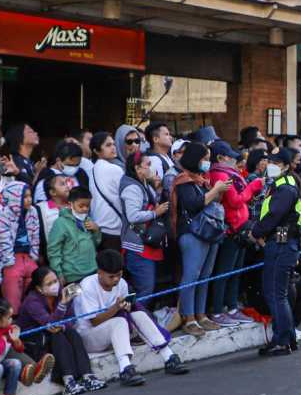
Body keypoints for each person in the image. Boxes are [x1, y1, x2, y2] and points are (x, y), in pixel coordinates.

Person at [71, 250, 189, 385]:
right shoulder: (87, 286)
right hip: (88, 337)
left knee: (138, 314)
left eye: (119, 275)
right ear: (100, 272)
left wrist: (126, 308)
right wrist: (116, 308)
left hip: (113, 331)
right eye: (111, 276)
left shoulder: (122, 283)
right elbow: (94, 321)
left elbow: (125, 310)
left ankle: (169, 356)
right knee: (119, 321)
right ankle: (125, 369)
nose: (116, 279)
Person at [168, 142, 232, 333]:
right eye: (204, 158)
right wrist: (216, 190)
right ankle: (188, 318)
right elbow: (194, 204)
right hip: (192, 234)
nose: (207, 162)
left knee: (205, 276)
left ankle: (201, 314)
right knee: (191, 276)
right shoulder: (183, 180)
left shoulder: (202, 180)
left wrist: (217, 191)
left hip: (209, 232)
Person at [251, 148, 301, 356]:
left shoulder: (285, 188)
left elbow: (274, 215)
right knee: (278, 293)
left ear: (284, 165)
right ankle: (287, 338)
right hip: (283, 243)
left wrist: (256, 231)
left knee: (275, 293)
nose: (269, 165)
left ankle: (282, 340)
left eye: (273, 161)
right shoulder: (282, 185)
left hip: (281, 244)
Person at [18, 267, 103, 395]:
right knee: (57, 334)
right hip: (35, 342)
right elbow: (50, 324)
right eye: (49, 284)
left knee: (72, 333)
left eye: (55, 280)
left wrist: (63, 325)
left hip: (54, 336)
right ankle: (68, 381)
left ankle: (88, 376)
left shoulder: (61, 294)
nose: (55, 285)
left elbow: (72, 319)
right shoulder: (32, 301)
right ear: (39, 289)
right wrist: (62, 304)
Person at [207, 140, 264, 320]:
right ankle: (217, 310)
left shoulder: (230, 173)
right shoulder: (220, 175)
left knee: (236, 272)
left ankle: (231, 307)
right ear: (220, 157)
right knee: (225, 272)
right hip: (231, 230)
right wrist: (253, 187)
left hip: (241, 228)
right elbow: (235, 201)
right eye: (230, 156)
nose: (234, 159)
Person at [118, 151, 168, 299]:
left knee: (146, 287)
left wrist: (157, 189)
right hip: (137, 246)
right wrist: (155, 213)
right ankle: (137, 319)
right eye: (148, 165)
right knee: (145, 288)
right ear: (137, 168)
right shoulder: (132, 187)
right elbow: (133, 215)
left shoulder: (144, 183)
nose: (150, 168)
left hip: (145, 242)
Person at [0, 168, 41, 308]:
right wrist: (8, 260)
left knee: (36, 279)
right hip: (11, 257)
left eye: (30, 196)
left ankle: (31, 309)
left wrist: (34, 254)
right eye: (25, 196)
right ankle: (14, 313)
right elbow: (3, 239)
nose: (29, 199)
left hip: (28, 256)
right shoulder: (4, 214)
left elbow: (35, 234)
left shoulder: (33, 211)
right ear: (15, 197)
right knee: (12, 283)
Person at [47, 185, 101, 286]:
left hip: (92, 271)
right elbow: (53, 251)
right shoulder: (60, 223)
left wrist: (96, 231)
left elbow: (96, 244)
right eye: (81, 206)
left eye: (87, 206)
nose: (85, 209)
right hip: (72, 276)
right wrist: (59, 273)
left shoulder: (88, 220)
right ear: (70, 204)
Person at [89, 130, 127, 255]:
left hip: (98, 228)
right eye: (108, 145)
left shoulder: (92, 169)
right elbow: (126, 195)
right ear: (96, 151)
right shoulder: (114, 169)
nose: (113, 148)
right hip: (114, 228)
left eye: (113, 144)